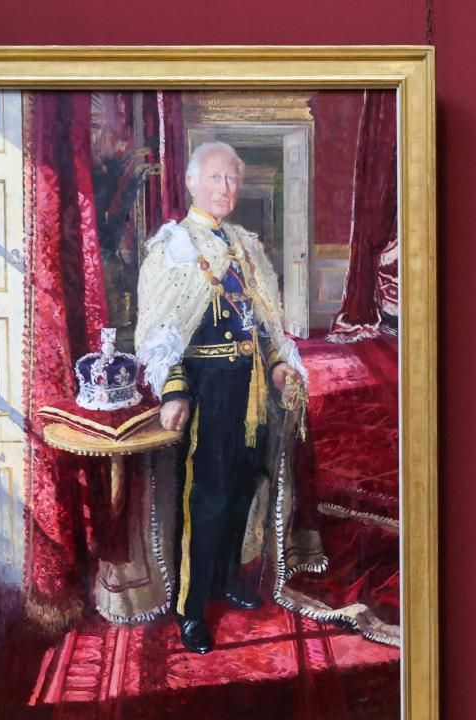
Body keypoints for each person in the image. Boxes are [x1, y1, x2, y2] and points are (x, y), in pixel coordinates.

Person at [135, 141, 316, 654]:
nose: (225, 188)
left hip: (253, 391)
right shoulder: (173, 248)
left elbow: (265, 323)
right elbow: (159, 333)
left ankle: (225, 578)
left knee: (243, 487)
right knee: (208, 498)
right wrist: (174, 390)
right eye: (214, 178)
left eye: (232, 179)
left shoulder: (246, 246)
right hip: (207, 391)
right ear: (192, 183)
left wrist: (279, 365)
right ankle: (191, 609)